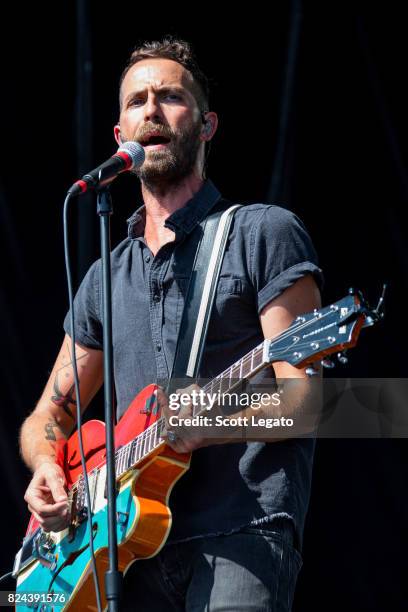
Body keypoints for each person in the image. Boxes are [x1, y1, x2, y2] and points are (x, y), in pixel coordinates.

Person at [20, 37, 323, 611]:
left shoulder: (263, 234)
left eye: (169, 97)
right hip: (124, 553)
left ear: (206, 125)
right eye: (136, 100)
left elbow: (308, 402)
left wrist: (205, 423)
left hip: (240, 534)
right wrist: (46, 469)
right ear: (119, 137)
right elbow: (47, 415)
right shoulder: (104, 279)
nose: (151, 110)